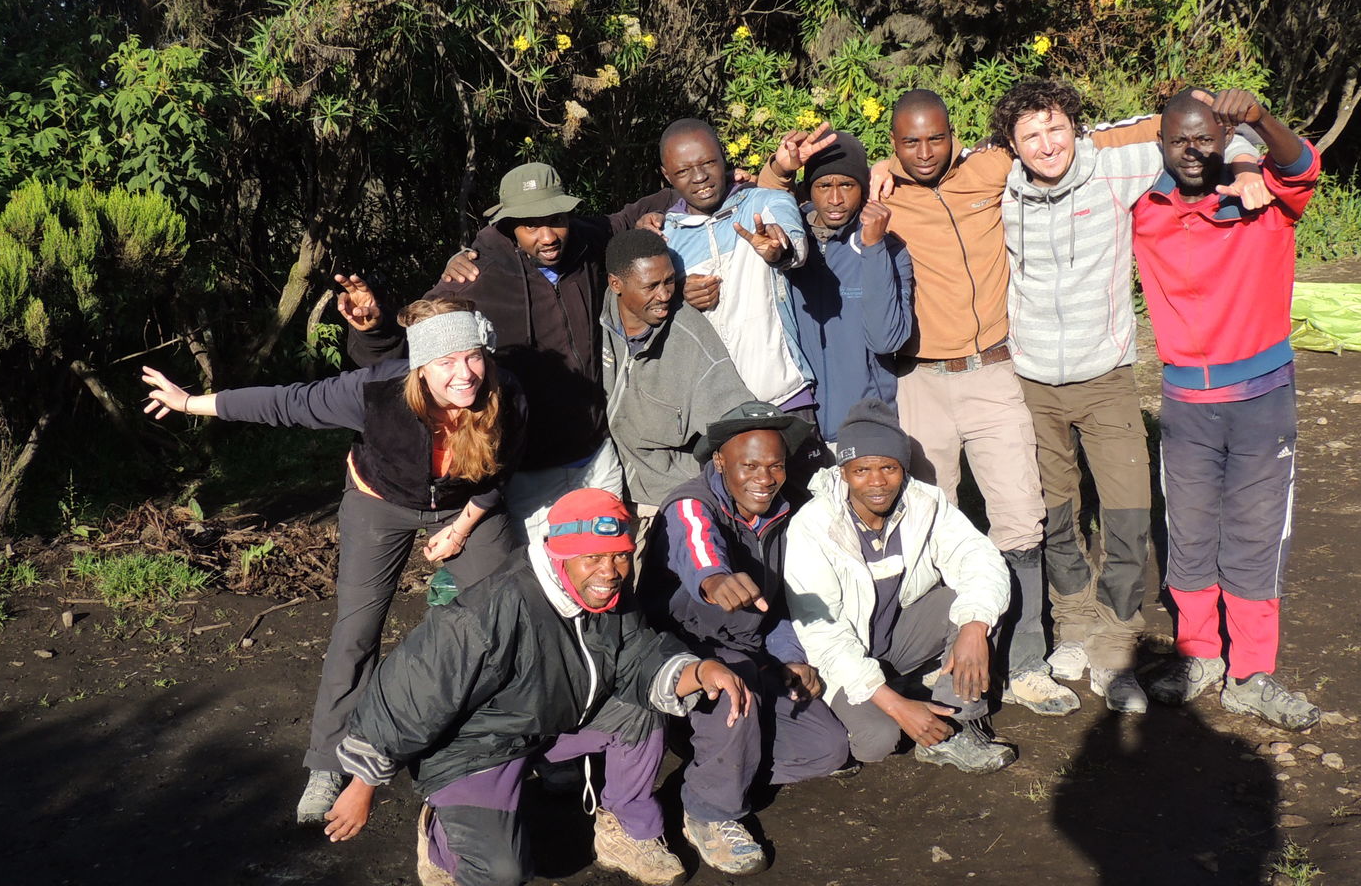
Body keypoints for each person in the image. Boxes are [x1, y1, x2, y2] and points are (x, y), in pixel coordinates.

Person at [139, 298, 527, 823]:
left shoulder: (507, 394)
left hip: (463, 506)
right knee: (357, 631)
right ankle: (328, 761)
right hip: (379, 500)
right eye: (446, 362)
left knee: (502, 612)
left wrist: (460, 530)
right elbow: (286, 402)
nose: (464, 374)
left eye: (473, 357)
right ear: (421, 364)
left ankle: (501, 738)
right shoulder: (375, 392)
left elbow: (502, 472)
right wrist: (190, 404)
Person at [993, 79, 1264, 713]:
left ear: (1077, 127)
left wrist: (1247, 160)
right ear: (1013, 143)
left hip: (1107, 377)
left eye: (1056, 127)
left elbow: (1209, 122)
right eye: (1030, 135)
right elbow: (928, 169)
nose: (1046, 144)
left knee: (1126, 514)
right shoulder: (999, 186)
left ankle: (1116, 646)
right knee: (1055, 514)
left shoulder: (1113, 165)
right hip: (1031, 381)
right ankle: (1074, 627)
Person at [320, 488, 751, 886]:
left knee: (642, 708)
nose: (609, 572)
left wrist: (699, 671)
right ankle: (440, 836)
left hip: (548, 720)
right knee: (503, 873)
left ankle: (628, 829)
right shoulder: (485, 613)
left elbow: (637, 654)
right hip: (474, 746)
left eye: (619, 556)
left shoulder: (609, 593)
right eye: (593, 558)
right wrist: (363, 785)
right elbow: (411, 695)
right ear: (558, 555)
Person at [837, 90, 1081, 717]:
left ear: (956, 136)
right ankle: (946, 661)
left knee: (1021, 520)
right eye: (909, 143)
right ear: (891, 145)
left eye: (936, 139)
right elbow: (791, 194)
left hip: (993, 372)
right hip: (918, 381)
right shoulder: (880, 196)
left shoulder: (990, 168)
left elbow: (1070, 145)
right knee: (928, 524)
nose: (924, 153)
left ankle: (1025, 661)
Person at [338, 162, 667, 539]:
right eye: (530, 225)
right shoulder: (476, 276)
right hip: (524, 469)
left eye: (556, 219)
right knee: (536, 580)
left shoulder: (587, 242)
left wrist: (713, 185)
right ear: (510, 225)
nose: (547, 236)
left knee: (603, 564)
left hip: (595, 454)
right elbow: (409, 352)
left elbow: (630, 215)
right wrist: (374, 329)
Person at [1131, 88, 1322, 731]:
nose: (1193, 151)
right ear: (1161, 145)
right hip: (1186, 403)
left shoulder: (1263, 198)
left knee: (1254, 536)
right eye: (1180, 139)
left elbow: (1301, 166)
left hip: (1263, 402)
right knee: (1187, 534)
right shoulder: (1144, 209)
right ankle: (1198, 655)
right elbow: (1075, 152)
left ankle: (1252, 672)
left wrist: (1260, 120)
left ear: (1222, 139)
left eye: (1206, 138)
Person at [648, 401, 849, 876]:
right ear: (720, 461)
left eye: (775, 465)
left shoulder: (791, 511)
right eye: (750, 465)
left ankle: (719, 763)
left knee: (828, 747)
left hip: (752, 648)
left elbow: (780, 607)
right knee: (734, 692)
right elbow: (699, 550)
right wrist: (715, 580)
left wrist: (790, 658)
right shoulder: (691, 504)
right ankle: (709, 811)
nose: (764, 477)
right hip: (684, 649)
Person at [783, 399, 1015, 771]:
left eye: (888, 468)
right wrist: (893, 705)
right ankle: (890, 701)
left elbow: (978, 557)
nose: (877, 482)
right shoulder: (813, 526)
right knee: (878, 740)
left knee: (976, 602)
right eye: (862, 470)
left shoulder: (925, 502)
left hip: (897, 637)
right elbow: (824, 635)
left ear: (902, 469)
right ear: (843, 471)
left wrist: (973, 626)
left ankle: (957, 723)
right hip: (841, 658)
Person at [656, 118, 817, 416]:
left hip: (786, 398)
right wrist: (681, 297)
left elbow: (796, 249)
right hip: (714, 411)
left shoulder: (766, 202)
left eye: (708, 162)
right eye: (682, 171)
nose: (700, 177)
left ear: (724, 158)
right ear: (667, 176)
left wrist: (778, 252)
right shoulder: (666, 237)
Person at [770, 129, 916, 445]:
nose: (835, 199)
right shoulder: (788, 246)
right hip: (800, 424)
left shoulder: (890, 250)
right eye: (824, 186)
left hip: (867, 424)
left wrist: (873, 248)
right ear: (809, 191)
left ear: (863, 190)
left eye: (847, 186)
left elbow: (886, 339)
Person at [599, 227, 754, 515]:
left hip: (666, 498)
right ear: (616, 284)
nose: (665, 295)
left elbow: (735, 421)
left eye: (670, 281)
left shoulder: (690, 336)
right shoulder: (594, 319)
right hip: (602, 488)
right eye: (651, 286)